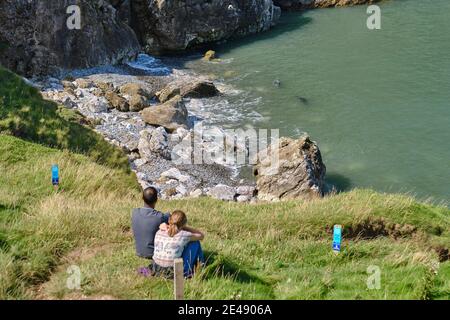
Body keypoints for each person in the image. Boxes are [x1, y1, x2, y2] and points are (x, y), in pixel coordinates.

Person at [153, 210, 205, 278]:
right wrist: (184, 227)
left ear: (169, 220)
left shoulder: (159, 231)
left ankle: (199, 265)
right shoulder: (184, 235)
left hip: (156, 268)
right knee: (195, 243)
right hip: (173, 272)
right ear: (184, 224)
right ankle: (199, 265)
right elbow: (201, 235)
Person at [131, 187, 170, 260]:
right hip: (154, 253)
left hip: (139, 252)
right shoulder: (160, 217)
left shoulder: (134, 212)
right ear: (156, 200)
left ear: (142, 198)